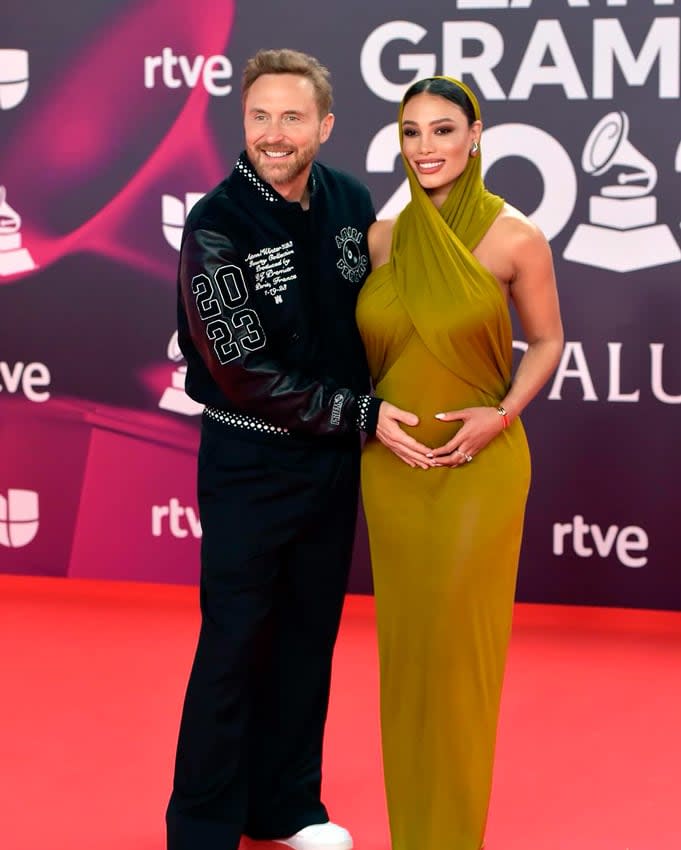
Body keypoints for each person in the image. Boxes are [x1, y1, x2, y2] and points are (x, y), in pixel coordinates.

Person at [165, 48, 406, 850]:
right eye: (259, 116)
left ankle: (289, 809)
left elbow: (378, 314)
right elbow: (240, 371)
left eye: (291, 117)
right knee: (235, 643)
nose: (273, 133)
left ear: (324, 125)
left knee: (308, 640)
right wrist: (363, 414)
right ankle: (202, 826)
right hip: (249, 462)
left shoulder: (349, 199)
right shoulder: (217, 223)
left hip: (332, 463)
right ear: (244, 123)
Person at [356, 77, 564, 850]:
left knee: (455, 663)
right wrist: (368, 417)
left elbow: (545, 340)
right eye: (411, 132)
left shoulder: (516, 237)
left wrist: (502, 413)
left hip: (479, 469)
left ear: (476, 134)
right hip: (390, 468)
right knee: (406, 661)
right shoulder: (381, 238)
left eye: (442, 130)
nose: (426, 147)